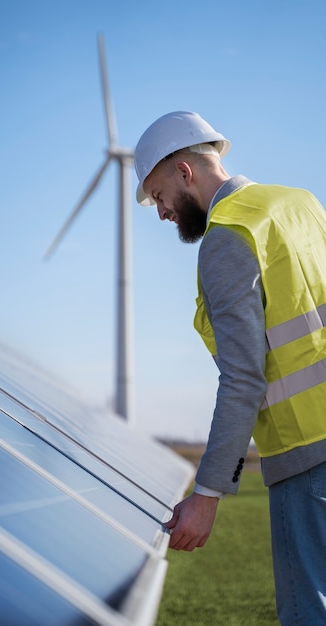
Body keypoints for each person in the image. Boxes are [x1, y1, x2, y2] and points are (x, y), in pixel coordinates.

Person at [134, 111, 326, 625]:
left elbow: (244, 377)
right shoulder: (302, 203)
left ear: (184, 171)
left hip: (308, 460)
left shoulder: (228, 237)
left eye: (157, 196)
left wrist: (207, 495)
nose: (161, 214)